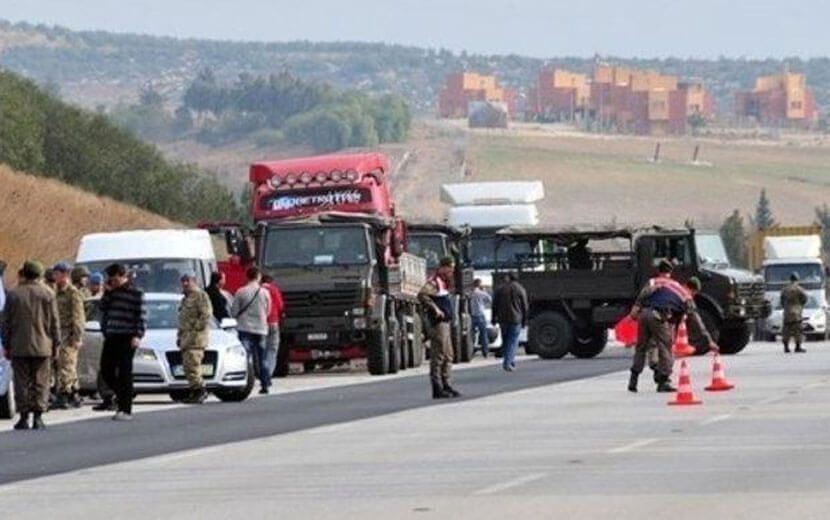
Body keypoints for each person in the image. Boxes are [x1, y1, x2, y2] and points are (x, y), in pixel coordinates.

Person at [2, 261, 60, 430]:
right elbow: (54, 322)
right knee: (41, 381)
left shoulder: (14, 294)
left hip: (18, 346)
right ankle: (38, 417)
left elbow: (5, 323)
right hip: (43, 346)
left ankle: (23, 417)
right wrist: (56, 344)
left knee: (21, 382)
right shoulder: (48, 294)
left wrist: (6, 344)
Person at [628, 259, 697, 393]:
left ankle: (633, 380)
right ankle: (663, 381)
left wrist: (636, 309)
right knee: (665, 347)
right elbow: (689, 305)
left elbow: (641, 297)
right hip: (658, 316)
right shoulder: (674, 284)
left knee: (641, 347)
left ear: (658, 271)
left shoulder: (652, 281)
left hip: (644, 315)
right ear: (670, 271)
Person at [100, 263, 145, 421]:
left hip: (128, 336)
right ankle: (124, 393)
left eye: (114, 279)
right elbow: (102, 308)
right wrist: (107, 292)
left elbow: (141, 316)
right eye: (110, 280)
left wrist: (138, 335)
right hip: (112, 335)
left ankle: (125, 409)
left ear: (121, 276)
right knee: (106, 369)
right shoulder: (112, 292)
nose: (112, 282)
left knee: (125, 372)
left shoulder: (136, 293)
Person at [418, 256, 461, 399]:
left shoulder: (445, 282)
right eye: (449, 269)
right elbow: (422, 295)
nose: (451, 272)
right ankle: (437, 387)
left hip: (446, 323)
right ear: (443, 267)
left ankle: (446, 383)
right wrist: (435, 309)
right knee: (439, 354)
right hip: (438, 324)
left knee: (449, 355)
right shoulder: (434, 281)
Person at [51, 262, 86, 410]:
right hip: (57, 332)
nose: (55, 277)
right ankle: (73, 393)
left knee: (66, 364)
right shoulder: (54, 292)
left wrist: (77, 337)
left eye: (57, 274)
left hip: (68, 333)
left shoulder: (73, 293)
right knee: (63, 364)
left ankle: (65, 395)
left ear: (65, 274)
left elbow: (78, 317)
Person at [231, 266, 272, 394]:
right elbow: (268, 310)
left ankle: (245, 382)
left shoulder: (241, 292)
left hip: (245, 328)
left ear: (247, 276)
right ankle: (265, 383)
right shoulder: (265, 292)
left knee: (245, 357)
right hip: (261, 328)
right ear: (258, 277)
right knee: (262, 357)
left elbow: (234, 311)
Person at [177, 273, 213, 404]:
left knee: (193, 366)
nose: (185, 283)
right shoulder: (185, 299)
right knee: (188, 367)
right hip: (186, 339)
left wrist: (195, 329)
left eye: (188, 281)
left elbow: (206, 315)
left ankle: (200, 391)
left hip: (195, 339)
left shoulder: (200, 296)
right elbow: (182, 320)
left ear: (194, 281)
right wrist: (180, 336)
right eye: (183, 281)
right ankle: (194, 390)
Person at [492, 273, 529, 372]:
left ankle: (509, 360)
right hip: (516, 319)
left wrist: (493, 318)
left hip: (503, 319)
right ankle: (508, 362)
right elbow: (525, 306)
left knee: (506, 341)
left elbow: (494, 305)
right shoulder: (520, 289)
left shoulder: (500, 289)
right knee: (513, 341)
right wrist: (525, 320)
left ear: (508, 278)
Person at [260, 274, 285, 379]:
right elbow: (280, 306)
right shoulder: (274, 290)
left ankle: (261, 369)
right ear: (271, 281)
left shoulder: (258, 290)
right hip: (273, 321)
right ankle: (269, 372)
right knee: (272, 348)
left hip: (261, 323)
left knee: (262, 347)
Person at [781, 272, 808, 354]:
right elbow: (805, 299)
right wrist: (800, 305)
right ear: (797, 279)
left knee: (786, 330)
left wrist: (785, 307)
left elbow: (781, 300)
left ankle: (786, 347)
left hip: (787, 312)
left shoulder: (785, 289)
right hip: (796, 312)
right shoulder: (800, 289)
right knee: (798, 330)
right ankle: (797, 347)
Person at [469, 279, 492, 358]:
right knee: (483, 334)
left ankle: (471, 351)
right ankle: (485, 352)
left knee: (471, 335)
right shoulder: (482, 293)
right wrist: (484, 291)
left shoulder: (471, 293)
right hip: (480, 315)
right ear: (479, 285)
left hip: (472, 315)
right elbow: (489, 299)